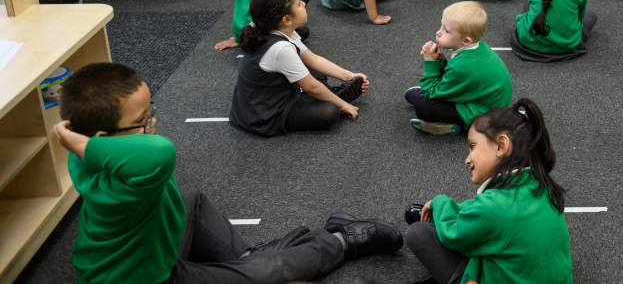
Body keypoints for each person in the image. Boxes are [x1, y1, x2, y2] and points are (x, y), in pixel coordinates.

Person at [54, 62, 402, 283]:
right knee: (272, 272)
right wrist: (80, 142)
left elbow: (134, 148)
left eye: (151, 110)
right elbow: (160, 152)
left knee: (193, 202)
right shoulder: (139, 163)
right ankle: (341, 240)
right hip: (150, 277)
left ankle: (249, 260)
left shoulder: (85, 157)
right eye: (141, 121)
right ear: (100, 141)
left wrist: (73, 140)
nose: (153, 122)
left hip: (146, 247)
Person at [406, 99, 572, 284]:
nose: (467, 159)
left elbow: (452, 234)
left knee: (419, 233)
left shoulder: (495, 207)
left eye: (472, 146)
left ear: (501, 145)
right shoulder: (541, 187)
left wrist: (438, 202)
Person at [230, 0, 369, 136]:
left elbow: (313, 59)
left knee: (312, 69)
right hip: (264, 113)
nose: (303, 3)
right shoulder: (281, 49)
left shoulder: (276, 29)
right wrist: (343, 105)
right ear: (287, 19)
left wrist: (349, 75)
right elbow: (312, 87)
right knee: (329, 112)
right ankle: (330, 98)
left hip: (269, 95)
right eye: (298, 4)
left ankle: (328, 96)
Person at [405, 1, 512, 136]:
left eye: (446, 31)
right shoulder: (476, 48)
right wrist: (440, 60)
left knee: (423, 106)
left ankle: (457, 126)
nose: (438, 32)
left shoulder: (463, 67)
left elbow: (431, 94)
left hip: (483, 117)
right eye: (441, 26)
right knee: (416, 95)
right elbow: (453, 74)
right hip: (490, 105)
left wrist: (431, 62)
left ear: (466, 40)